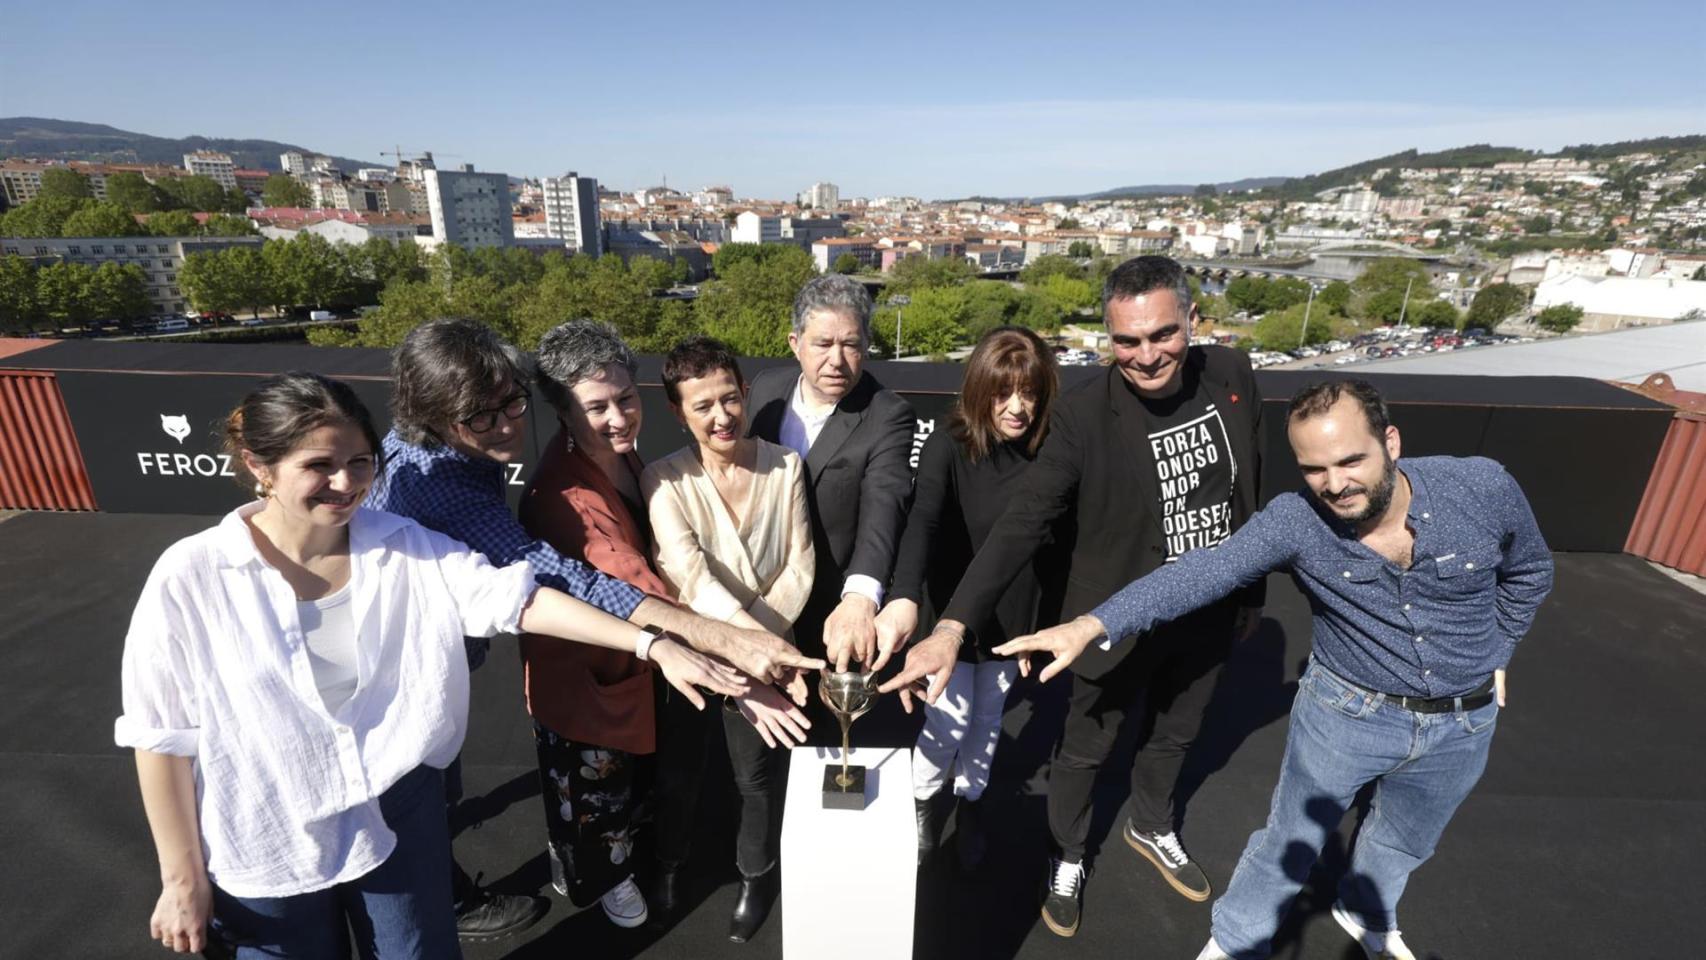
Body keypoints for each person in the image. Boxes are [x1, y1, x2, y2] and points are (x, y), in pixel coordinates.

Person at [116, 372, 745, 959]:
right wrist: (182, 877)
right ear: (259, 466)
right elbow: (161, 735)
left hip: (398, 810)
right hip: (267, 829)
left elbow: (517, 599)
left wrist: (652, 645)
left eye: (359, 462)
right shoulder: (190, 576)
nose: (346, 484)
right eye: (319, 466)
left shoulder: (405, 546)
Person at [994, 378, 1554, 960]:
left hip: (1464, 723)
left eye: (1350, 461)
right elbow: (1199, 573)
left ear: (1391, 442)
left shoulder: (1482, 487)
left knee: (1407, 839)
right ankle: (1237, 943)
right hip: (1347, 715)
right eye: (1314, 469)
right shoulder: (1296, 521)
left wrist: (1497, 649)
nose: (1335, 484)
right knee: (1290, 841)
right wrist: (1092, 625)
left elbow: (1531, 572)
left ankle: (1366, 911)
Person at [365, 318, 823, 940]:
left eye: (511, 404)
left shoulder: (598, 451)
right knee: (583, 793)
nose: (505, 425)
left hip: (613, 656)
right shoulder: (547, 495)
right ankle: (591, 883)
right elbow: (590, 579)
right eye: (480, 416)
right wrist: (734, 660)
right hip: (543, 667)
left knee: (602, 789)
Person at [883, 255, 1267, 936]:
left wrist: (1250, 594)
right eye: (1127, 340)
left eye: (1163, 334)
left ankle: (1151, 824)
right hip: (1112, 618)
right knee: (1084, 745)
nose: (1147, 354)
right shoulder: (1082, 416)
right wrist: (948, 627)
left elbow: (1249, 489)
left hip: (1207, 610)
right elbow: (1021, 525)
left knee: (1176, 732)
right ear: (1108, 337)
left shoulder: (1234, 374)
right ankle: (1066, 854)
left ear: (1193, 320)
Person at [523, 321, 812, 930]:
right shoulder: (569, 494)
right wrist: (746, 659)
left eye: (625, 399)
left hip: (673, 653)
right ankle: (622, 880)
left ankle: (712, 870)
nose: (618, 417)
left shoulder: (627, 458)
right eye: (596, 407)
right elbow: (649, 587)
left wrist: (753, 644)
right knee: (610, 790)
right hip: (606, 667)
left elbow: (796, 565)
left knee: (696, 780)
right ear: (561, 410)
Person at [642, 336, 817, 943]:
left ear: (744, 392)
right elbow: (690, 578)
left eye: (729, 399)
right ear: (677, 412)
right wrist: (757, 651)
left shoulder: (785, 466)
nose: (721, 417)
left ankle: (755, 876)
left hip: (772, 653)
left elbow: (800, 567)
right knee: (680, 772)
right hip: (695, 656)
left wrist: (762, 652)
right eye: (702, 406)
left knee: (756, 778)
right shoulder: (662, 480)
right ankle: (668, 865)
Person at [871, 326, 1061, 869]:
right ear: (981, 389)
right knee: (947, 721)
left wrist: (1041, 626)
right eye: (1003, 393)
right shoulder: (948, 442)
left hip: (1013, 611)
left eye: (1029, 393)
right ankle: (924, 802)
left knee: (987, 718)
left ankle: (971, 801)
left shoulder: (1052, 448)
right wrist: (905, 596)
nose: (1017, 408)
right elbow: (922, 523)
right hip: (949, 607)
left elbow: (1057, 545)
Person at [745, 274, 917, 735]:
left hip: (831, 615)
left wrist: (859, 598)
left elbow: (885, 506)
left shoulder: (888, 415)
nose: (836, 360)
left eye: (851, 345)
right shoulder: (765, 389)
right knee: (754, 756)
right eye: (823, 344)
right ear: (795, 343)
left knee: (824, 743)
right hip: (754, 609)